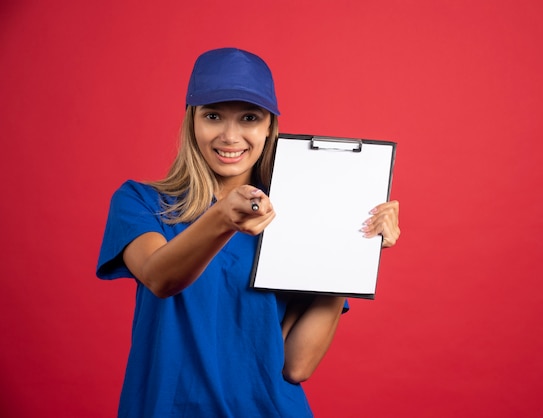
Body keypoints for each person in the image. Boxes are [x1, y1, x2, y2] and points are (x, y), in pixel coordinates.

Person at [96, 47, 400, 418]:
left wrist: (352, 250)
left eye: (249, 118)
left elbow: (297, 365)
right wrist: (222, 218)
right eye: (212, 116)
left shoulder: (298, 218)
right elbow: (160, 277)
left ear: (269, 126)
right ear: (192, 120)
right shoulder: (141, 202)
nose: (230, 135)